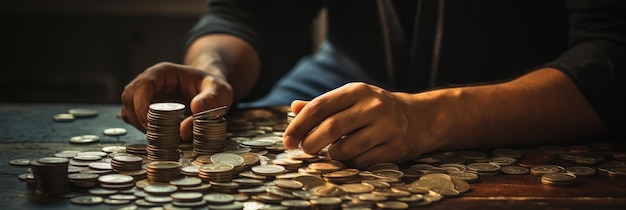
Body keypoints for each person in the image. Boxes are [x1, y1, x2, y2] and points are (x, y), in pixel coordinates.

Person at [121, 0, 625, 169]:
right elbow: (253, 13)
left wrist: (428, 117)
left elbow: (611, 57)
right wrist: (214, 68)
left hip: (533, 94)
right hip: (345, 73)